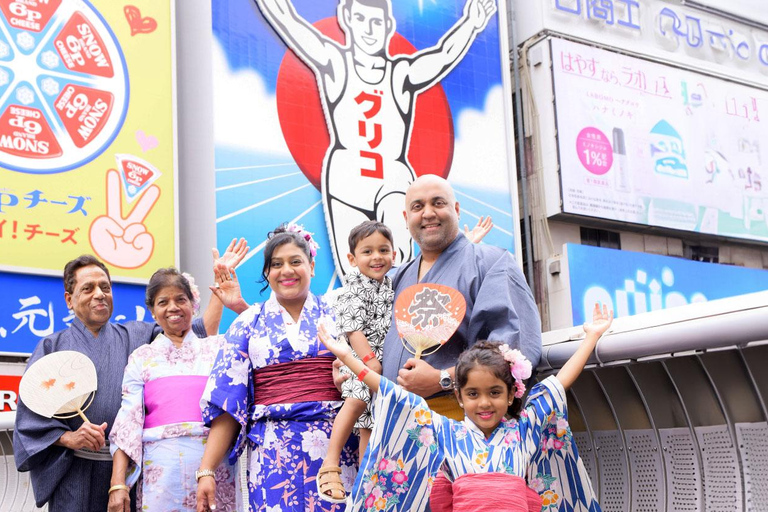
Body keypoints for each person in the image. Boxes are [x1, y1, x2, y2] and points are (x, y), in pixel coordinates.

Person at [255, 0, 497, 276]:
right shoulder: (335, 62)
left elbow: (442, 55)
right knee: (355, 275)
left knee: (399, 267)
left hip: (392, 178)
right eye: (361, 20)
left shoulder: (400, 73)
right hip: (345, 179)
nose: (369, 30)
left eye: (376, 23)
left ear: (388, 27)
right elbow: (290, 22)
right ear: (347, 18)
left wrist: (470, 23)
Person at [12, 239, 247, 511]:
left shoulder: (137, 336)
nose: (99, 294)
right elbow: (31, 413)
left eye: (105, 287)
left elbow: (195, 332)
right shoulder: (51, 347)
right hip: (74, 468)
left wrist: (220, 283)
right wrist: (68, 438)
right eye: (87, 288)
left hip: (131, 468)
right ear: (69, 299)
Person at [317, 303, 611, 511]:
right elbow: (394, 394)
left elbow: (559, 383)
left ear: (511, 395)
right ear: (459, 398)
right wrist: (349, 357)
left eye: (495, 392)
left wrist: (592, 337)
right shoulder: (446, 430)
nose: (484, 403)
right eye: (473, 394)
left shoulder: (525, 429)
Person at [196, 224, 358, 512]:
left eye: (296, 261)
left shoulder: (339, 316)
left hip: (336, 448)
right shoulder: (248, 322)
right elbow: (228, 401)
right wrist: (206, 469)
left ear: (312, 266)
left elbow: (367, 380)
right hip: (272, 451)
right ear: (267, 273)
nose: (287, 271)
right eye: (276, 264)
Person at [383, 174, 541, 420]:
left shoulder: (491, 262)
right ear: (406, 219)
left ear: (456, 209)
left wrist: (443, 378)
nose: (428, 213)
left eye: (438, 203)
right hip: (395, 418)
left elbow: (515, 351)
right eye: (417, 206)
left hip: (458, 420)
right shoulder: (397, 277)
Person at [107, 267, 248, 511]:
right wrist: (117, 484)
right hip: (161, 468)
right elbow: (127, 421)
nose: (173, 307)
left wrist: (237, 305)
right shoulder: (141, 357)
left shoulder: (218, 348)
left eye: (180, 299)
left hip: (214, 464)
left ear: (193, 304)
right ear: (152, 311)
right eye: (163, 302)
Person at [318, 220, 395, 503]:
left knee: (369, 424)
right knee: (356, 403)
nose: (376, 257)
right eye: (367, 251)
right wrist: (368, 361)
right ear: (352, 259)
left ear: (394, 254)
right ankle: (330, 460)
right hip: (363, 361)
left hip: (384, 367)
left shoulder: (388, 284)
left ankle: (366, 484)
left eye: (383, 250)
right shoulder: (353, 288)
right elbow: (353, 328)